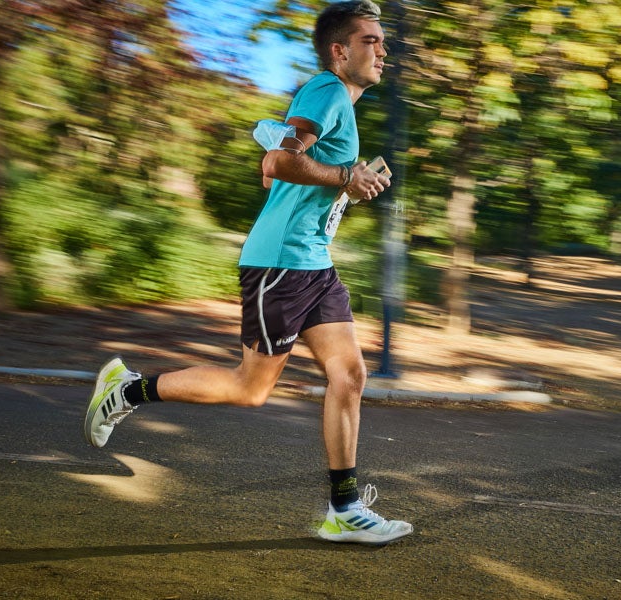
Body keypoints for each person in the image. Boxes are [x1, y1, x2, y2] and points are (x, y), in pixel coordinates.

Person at [83, 0, 412, 546]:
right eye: (371, 40)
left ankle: (345, 508)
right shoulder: (326, 90)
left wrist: (341, 178)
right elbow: (280, 163)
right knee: (250, 389)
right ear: (340, 50)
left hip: (314, 264)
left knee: (349, 375)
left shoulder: (336, 105)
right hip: (281, 264)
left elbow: (273, 164)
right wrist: (345, 177)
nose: (382, 49)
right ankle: (127, 390)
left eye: (382, 40)